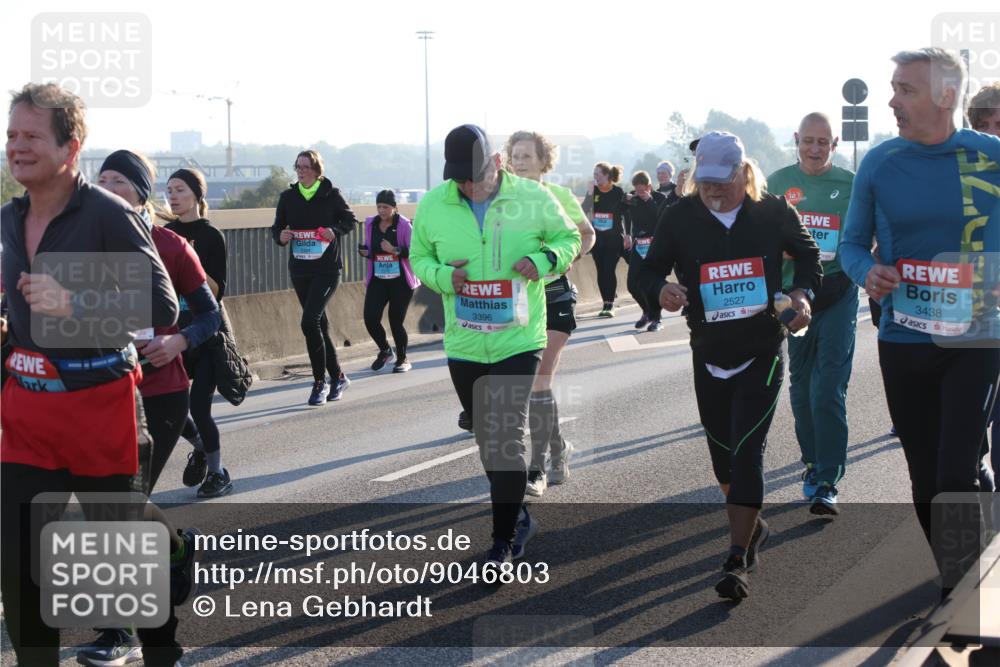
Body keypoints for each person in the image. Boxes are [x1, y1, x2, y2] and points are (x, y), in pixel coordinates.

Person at [1, 82, 184, 666]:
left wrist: (74, 302)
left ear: (70, 147)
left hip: (101, 405)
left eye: (31, 136)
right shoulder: (7, 221)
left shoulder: (110, 215)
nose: (17, 147)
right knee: (20, 562)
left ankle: (162, 639)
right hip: (27, 411)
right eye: (11, 135)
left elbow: (164, 308)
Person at [839, 48, 1000, 596]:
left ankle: (968, 592)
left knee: (956, 472)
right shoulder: (880, 163)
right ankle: (962, 575)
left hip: (977, 334)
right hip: (904, 335)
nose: (892, 100)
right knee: (927, 480)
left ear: (945, 97)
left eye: (906, 89)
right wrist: (868, 273)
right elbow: (851, 245)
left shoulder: (991, 157)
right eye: (893, 87)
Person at [639, 131, 822, 600]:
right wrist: (659, 290)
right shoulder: (679, 216)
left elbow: (808, 256)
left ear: (745, 173)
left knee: (746, 453)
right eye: (705, 182)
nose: (714, 190)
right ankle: (752, 527)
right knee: (722, 456)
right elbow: (647, 267)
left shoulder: (773, 211)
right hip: (708, 353)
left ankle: (737, 557)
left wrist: (801, 294)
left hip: (761, 349)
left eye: (723, 181)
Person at [410, 124, 580, 566]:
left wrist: (544, 261)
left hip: (519, 339)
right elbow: (419, 258)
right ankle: (517, 513)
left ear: (497, 163)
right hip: (465, 342)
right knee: (487, 441)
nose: (470, 186)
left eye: (477, 176)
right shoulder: (434, 204)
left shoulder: (532, 198)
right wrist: (445, 277)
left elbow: (570, 240)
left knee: (505, 439)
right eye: (461, 179)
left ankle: (502, 542)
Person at [77, 150, 220, 666]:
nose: (107, 186)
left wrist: (179, 341)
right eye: (101, 179)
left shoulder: (170, 245)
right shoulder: (79, 244)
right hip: (95, 391)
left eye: (119, 180)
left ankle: (121, 631)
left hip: (158, 393)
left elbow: (210, 316)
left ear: (141, 192)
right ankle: (176, 548)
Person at [767, 113, 858, 515]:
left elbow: (861, 235)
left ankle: (827, 480)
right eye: (809, 140)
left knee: (828, 389)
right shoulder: (775, 182)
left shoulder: (850, 184)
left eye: (823, 142)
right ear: (796, 139)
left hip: (837, 293)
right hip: (793, 302)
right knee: (801, 389)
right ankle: (810, 464)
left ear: (834, 143)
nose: (815, 148)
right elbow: (758, 237)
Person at [505, 130, 596, 496]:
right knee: (531, 386)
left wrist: (566, 257)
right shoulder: (502, 200)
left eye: (528, 155)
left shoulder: (558, 196)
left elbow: (587, 235)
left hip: (555, 297)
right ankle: (559, 448)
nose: (521, 162)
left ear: (545, 161)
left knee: (539, 379)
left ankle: (536, 467)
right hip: (516, 303)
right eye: (515, 156)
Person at [165, 168, 233, 497]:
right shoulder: (164, 233)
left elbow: (217, 292)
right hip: (172, 332)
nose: (173, 196)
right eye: (169, 191)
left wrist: (188, 259)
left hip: (205, 334)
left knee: (199, 407)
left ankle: (218, 472)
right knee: (172, 409)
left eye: (179, 190)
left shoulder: (211, 236)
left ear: (196, 194)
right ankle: (201, 448)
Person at [272, 150, 358, 404]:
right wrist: (281, 236)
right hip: (300, 269)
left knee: (309, 322)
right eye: (297, 166)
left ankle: (319, 382)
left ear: (317, 170)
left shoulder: (331, 195)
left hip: (327, 270)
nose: (300, 171)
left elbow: (350, 220)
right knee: (319, 325)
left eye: (306, 167)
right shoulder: (288, 197)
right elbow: (277, 228)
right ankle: (339, 376)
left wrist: (334, 230)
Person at [969, 82, 1000, 489]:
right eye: (985, 123)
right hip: (970, 310)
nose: (994, 132)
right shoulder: (961, 176)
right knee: (973, 409)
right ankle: (975, 461)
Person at [360, 189, 419, 373]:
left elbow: (416, 251)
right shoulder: (371, 224)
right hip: (378, 278)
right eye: (379, 206)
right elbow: (371, 249)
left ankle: (402, 359)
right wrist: (365, 252)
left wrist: (395, 250)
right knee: (370, 318)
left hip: (400, 280)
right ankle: (385, 350)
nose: (382, 211)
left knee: (395, 320)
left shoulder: (404, 226)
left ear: (394, 208)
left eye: (385, 207)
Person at [624, 171, 669, 332]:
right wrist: (626, 199)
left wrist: (648, 200)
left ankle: (657, 318)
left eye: (643, 189)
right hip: (638, 244)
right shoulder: (633, 199)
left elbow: (660, 218)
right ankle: (647, 312)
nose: (639, 193)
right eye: (637, 190)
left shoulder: (660, 198)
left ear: (649, 187)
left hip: (655, 245)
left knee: (652, 283)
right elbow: (619, 209)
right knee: (632, 283)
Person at [582, 162, 627, 317]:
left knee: (608, 269)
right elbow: (583, 210)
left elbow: (626, 214)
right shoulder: (593, 191)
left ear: (607, 176)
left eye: (598, 174)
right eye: (594, 174)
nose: (595, 177)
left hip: (613, 238)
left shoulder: (617, 192)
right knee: (601, 271)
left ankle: (610, 304)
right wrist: (589, 194)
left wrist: (627, 235)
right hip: (598, 238)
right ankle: (605, 302)